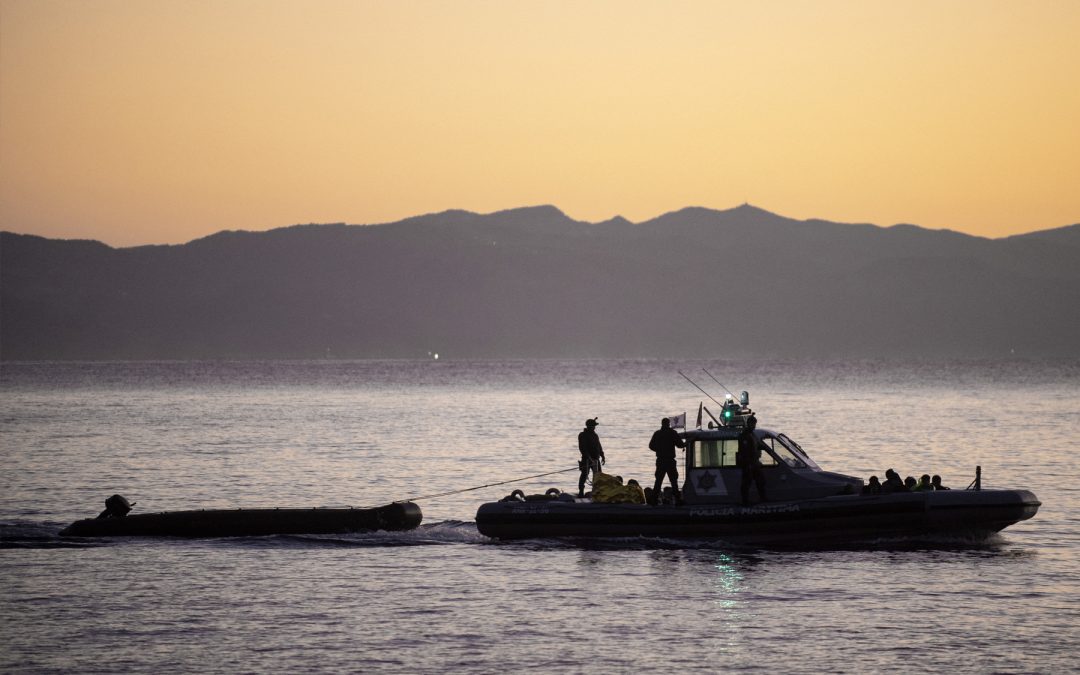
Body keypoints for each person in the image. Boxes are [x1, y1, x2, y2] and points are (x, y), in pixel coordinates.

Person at [648, 417, 685, 505]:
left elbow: (651, 446)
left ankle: (654, 501)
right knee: (674, 481)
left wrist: (658, 450)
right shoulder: (672, 433)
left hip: (660, 460)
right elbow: (680, 445)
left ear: (662, 424)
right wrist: (687, 443)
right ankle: (678, 500)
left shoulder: (657, 433)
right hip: (670, 461)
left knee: (658, 481)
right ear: (668, 424)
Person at [737, 415, 768, 506]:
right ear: (748, 424)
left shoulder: (752, 434)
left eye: (754, 424)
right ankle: (745, 501)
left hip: (754, 463)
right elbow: (745, 451)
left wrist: (765, 446)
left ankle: (762, 497)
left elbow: (757, 445)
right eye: (752, 424)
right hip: (748, 464)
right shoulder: (745, 436)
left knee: (761, 480)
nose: (754, 426)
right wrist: (749, 464)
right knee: (746, 482)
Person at [578, 418, 605, 497]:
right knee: (584, 475)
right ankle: (581, 491)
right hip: (586, 459)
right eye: (593, 426)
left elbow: (599, 446)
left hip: (596, 459)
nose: (594, 428)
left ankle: (597, 491)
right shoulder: (582, 435)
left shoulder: (595, 435)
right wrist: (589, 458)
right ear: (590, 426)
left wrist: (602, 455)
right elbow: (582, 448)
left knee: (598, 476)